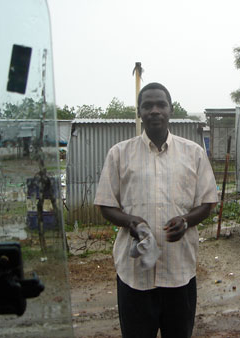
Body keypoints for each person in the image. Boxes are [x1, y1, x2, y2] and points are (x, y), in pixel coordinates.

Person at [94, 82, 218, 338]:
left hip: (179, 270)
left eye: (160, 104)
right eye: (147, 105)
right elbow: (106, 204)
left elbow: (207, 203)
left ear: (170, 109)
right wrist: (130, 221)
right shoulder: (119, 153)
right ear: (139, 112)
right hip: (134, 274)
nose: (154, 110)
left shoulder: (193, 153)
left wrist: (186, 220)